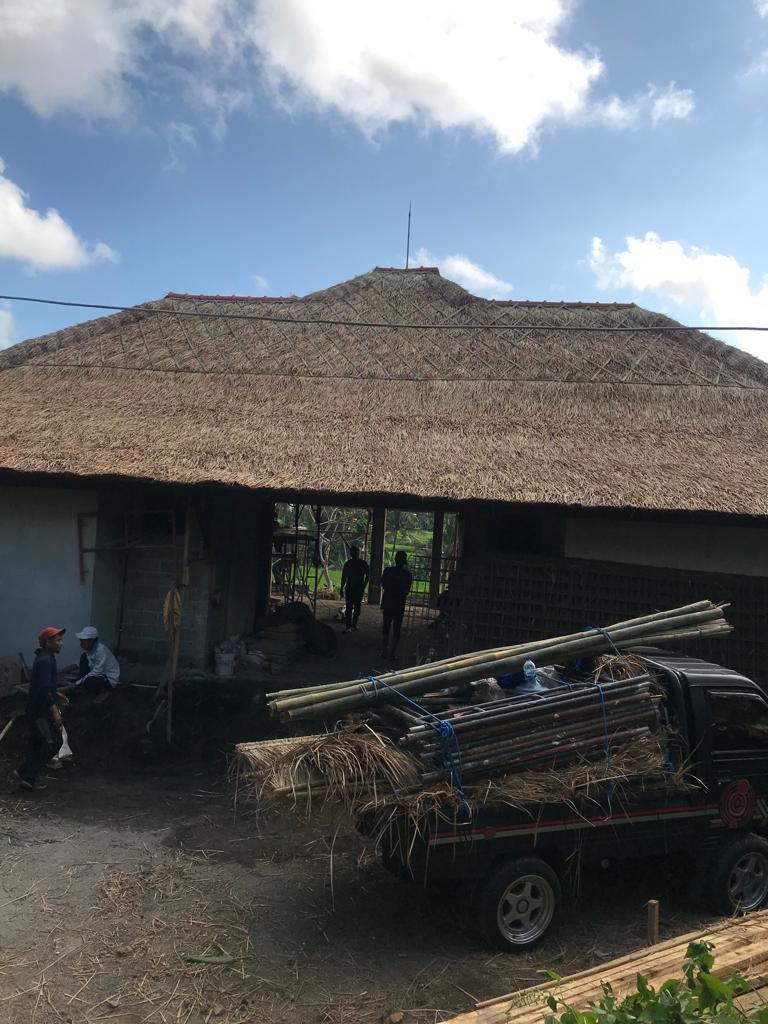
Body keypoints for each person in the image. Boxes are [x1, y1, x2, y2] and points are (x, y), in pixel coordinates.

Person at [14, 627, 67, 791]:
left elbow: (43, 685)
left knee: (37, 744)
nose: (61, 643)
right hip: (40, 713)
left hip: (36, 710)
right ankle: (26, 774)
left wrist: (57, 694)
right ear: (47, 643)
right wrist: (55, 711)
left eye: (61, 640)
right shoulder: (46, 661)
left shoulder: (45, 658)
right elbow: (43, 689)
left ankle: (25, 775)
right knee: (53, 742)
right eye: (58, 640)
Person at [70, 626, 120, 702]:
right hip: (97, 674)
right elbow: (78, 664)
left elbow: (96, 672)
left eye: (83, 641)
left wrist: (77, 683)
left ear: (91, 641)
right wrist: (62, 670)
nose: (81, 643)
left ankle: (105, 692)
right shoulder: (89, 651)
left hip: (108, 679)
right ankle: (84, 688)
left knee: (90, 680)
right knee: (83, 658)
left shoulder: (101, 650)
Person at [380, 551, 413, 660]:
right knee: (397, 628)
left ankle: (384, 650)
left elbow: (383, 584)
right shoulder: (407, 575)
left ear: (395, 560)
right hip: (399, 604)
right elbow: (407, 590)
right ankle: (393, 653)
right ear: (404, 561)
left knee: (386, 626)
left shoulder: (388, 571)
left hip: (388, 603)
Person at [340, 546, 370, 632]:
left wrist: (342, 588)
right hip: (357, 588)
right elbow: (368, 576)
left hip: (352, 588)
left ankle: (350, 626)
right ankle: (352, 625)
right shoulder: (362, 563)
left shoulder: (348, 563)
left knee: (351, 607)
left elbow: (344, 577)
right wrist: (364, 585)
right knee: (355, 607)